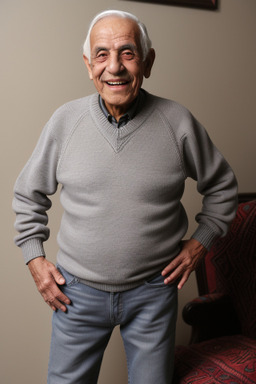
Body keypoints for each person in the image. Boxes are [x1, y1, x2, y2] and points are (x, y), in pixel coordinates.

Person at [13, 9, 238, 384]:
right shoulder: (64, 122)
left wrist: (200, 244)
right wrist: (34, 258)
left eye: (128, 53)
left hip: (154, 293)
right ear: (89, 65)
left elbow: (223, 186)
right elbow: (27, 193)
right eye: (102, 54)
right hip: (76, 295)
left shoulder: (177, 122)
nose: (114, 67)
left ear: (147, 62)